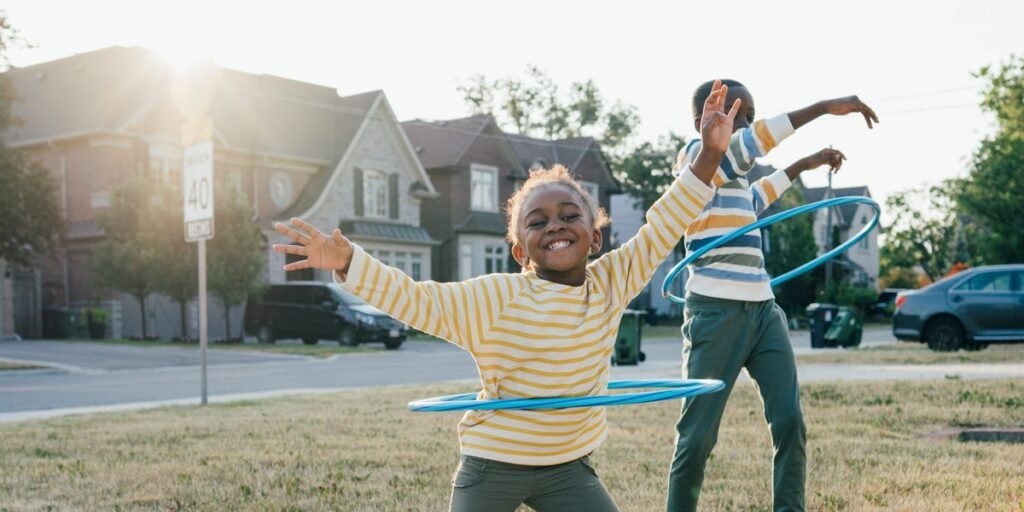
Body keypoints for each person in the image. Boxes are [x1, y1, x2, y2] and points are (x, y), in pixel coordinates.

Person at [272, 81, 741, 512]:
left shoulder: (612, 283)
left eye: (568, 215)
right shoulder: (495, 298)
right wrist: (349, 260)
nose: (554, 225)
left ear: (595, 236)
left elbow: (663, 227)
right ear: (520, 250)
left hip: (568, 468)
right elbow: (414, 299)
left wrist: (708, 157)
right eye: (536, 222)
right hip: (493, 464)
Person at [665, 79, 879, 512]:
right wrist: (821, 106)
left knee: (790, 421)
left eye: (748, 115)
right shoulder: (695, 162)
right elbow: (750, 145)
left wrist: (806, 163)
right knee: (698, 436)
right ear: (700, 122)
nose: (743, 124)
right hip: (714, 312)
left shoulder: (736, 183)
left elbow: (761, 194)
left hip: (764, 311)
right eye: (734, 116)